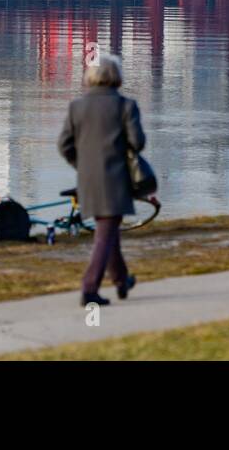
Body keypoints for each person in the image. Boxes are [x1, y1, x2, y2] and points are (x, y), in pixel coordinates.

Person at [58, 54, 147, 306]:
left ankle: (121, 280)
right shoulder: (125, 106)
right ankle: (89, 288)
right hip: (116, 179)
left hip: (88, 180)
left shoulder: (76, 106)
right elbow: (138, 143)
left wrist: (82, 165)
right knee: (105, 234)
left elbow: (64, 145)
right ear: (116, 77)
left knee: (108, 230)